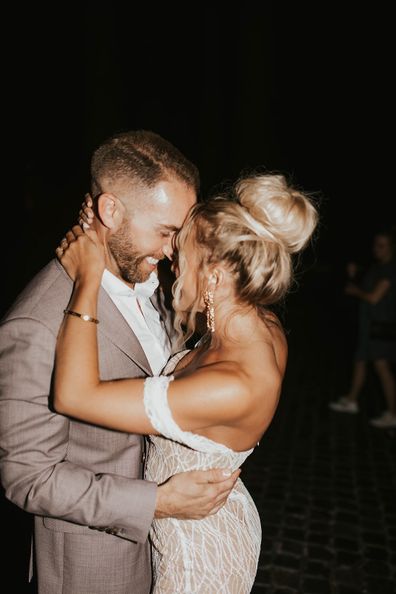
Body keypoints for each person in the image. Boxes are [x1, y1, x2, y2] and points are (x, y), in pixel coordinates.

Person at [54, 173, 319, 593]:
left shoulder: (234, 384)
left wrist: (87, 280)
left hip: (198, 556)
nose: (169, 262)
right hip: (198, 520)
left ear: (215, 276)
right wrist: (106, 235)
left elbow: (74, 395)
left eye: (182, 255)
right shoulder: (250, 320)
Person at [0, 130, 240, 594]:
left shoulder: (161, 284)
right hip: (94, 563)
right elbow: (27, 476)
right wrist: (159, 502)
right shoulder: (35, 322)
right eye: (167, 232)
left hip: (170, 548)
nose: (174, 250)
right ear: (110, 211)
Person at [329, 229, 396, 428]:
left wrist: (354, 290)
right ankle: (351, 400)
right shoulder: (378, 267)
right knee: (360, 360)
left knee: (381, 368)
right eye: (376, 244)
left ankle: (393, 413)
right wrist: (355, 273)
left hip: (380, 328)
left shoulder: (390, 269)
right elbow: (367, 283)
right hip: (368, 326)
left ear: (392, 247)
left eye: (382, 245)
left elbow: (374, 297)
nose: (377, 249)